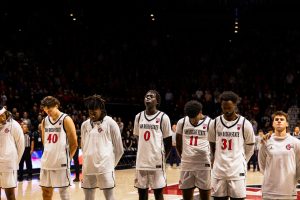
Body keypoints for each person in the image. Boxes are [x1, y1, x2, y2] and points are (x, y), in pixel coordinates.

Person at [208, 91, 255, 200]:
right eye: (224, 108)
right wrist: (215, 158)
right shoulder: (214, 123)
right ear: (221, 106)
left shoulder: (245, 123)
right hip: (219, 170)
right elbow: (211, 143)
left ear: (235, 105)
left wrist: (242, 160)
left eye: (229, 107)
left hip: (237, 170)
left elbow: (250, 146)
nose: (227, 111)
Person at [81, 95, 124, 200]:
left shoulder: (111, 123)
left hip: (105, 168)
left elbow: (119, 149)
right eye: (90, 112)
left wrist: (111, 166)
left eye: (94, 111)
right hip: (88, 168)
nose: (92, 114)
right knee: (88, 197)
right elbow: (83, 147)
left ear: (101, 109)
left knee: (109, 197)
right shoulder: (84, 125)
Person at [134, 90, 172, 200]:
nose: (148, 98)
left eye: (151, 96)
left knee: (158, 193)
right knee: (141, 194)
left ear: (157, 102)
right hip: (141, 162)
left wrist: (163, 158)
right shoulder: (138, 116)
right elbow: (137, 137)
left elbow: (168, 141)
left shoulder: (163, 117)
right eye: (146, 96)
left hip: (156, 162)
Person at [39, 96, 78, 200]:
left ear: (56, 105)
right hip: (47, 162)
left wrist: (67, 159)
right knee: (46, 192)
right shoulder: (44, 121)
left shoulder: (66, 119)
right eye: (45, 110)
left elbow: (74, 143)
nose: (48, 112)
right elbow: (44, 142)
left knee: (63, 193)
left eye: (49, 110)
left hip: (61, 163)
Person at [258, 111, 300, 199]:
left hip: (288, 191)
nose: (279, 121)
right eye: (276, 119)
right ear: (273, 124)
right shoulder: (265, 141)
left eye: (282, 119)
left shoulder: (296, 143)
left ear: (287, 123)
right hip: (269, 191)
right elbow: (262, 165)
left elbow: (299, 165)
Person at [176, 100, 212, 200]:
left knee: (205, 197)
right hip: (187, 164)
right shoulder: (182, 122)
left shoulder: (210, 123)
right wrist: (183, 157)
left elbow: (214, 144)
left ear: (200, 112)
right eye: (190, 118)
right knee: (187, 197)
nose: (192, 121)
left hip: (204, 164)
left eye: (194, 118)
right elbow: (178, 143)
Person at [0, 105, 25, 200]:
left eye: (3, 115)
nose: (2, 118)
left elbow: (21, 145)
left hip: (8, 164)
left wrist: (15, 162)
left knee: (10, 194)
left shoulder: (13, 124)